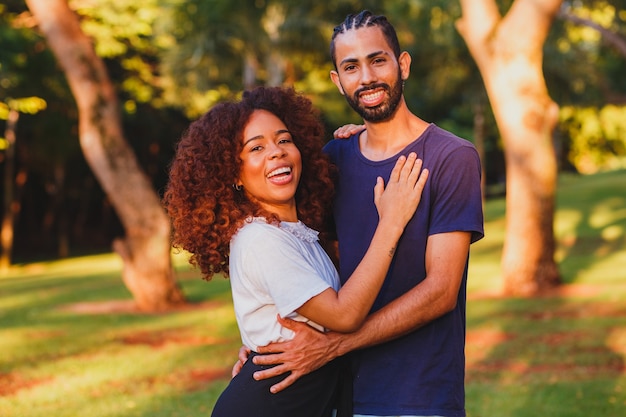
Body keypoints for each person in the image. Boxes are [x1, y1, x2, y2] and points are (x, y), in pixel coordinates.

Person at [243, 10, 485, 417]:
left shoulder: (451, 157)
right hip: (340, 391)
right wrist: (260, 337)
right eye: (351, 67)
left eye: (378, 60)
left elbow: (442, 291)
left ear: (402, 64)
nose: (367, 78)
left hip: (419, 395)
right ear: (338, 81)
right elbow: (310, 265)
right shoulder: (332, 160)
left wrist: (336, 343)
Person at [162, 86, 429, 417]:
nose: (276, 152)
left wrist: (366, 138)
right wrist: (392, 222)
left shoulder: (296, 235)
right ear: (234, 174)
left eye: (284, 140)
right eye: (256, 147)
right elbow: (345, 315)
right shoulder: (260, 239)